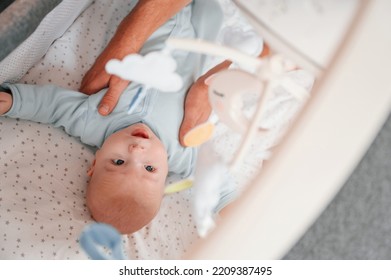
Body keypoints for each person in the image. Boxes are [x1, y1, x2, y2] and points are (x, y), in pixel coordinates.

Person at [0, 2, 229, 234]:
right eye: (150, 168)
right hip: (197, 29)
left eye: (118, 162)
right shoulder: (182, 153)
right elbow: (216, 180)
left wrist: (15, 102)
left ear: (95, 163)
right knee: (215, 14)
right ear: (166, 180)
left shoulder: (94, 121)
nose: (137, 150)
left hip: (148, 15)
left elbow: (53, 108)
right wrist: (231, 207)